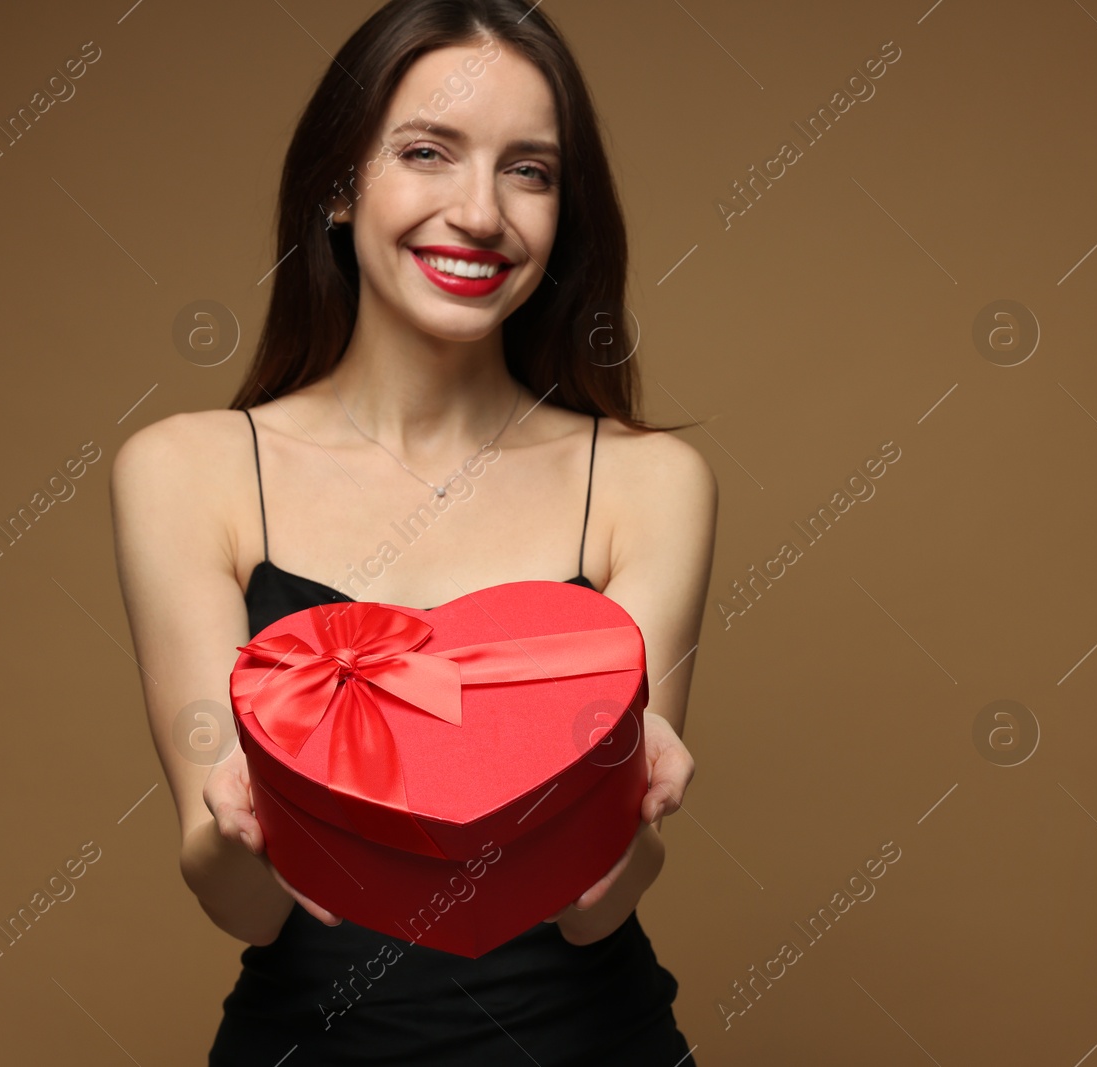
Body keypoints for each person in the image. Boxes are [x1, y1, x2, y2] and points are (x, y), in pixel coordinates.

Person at [110, 1, 717, 1062]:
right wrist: (239, 815)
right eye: (429, 152)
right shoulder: (186, 471)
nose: (479, 211)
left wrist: (634, 804)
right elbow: (244, 903)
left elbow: (592, 907)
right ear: (340, 186)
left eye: (529, 171)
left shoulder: (649, 482)